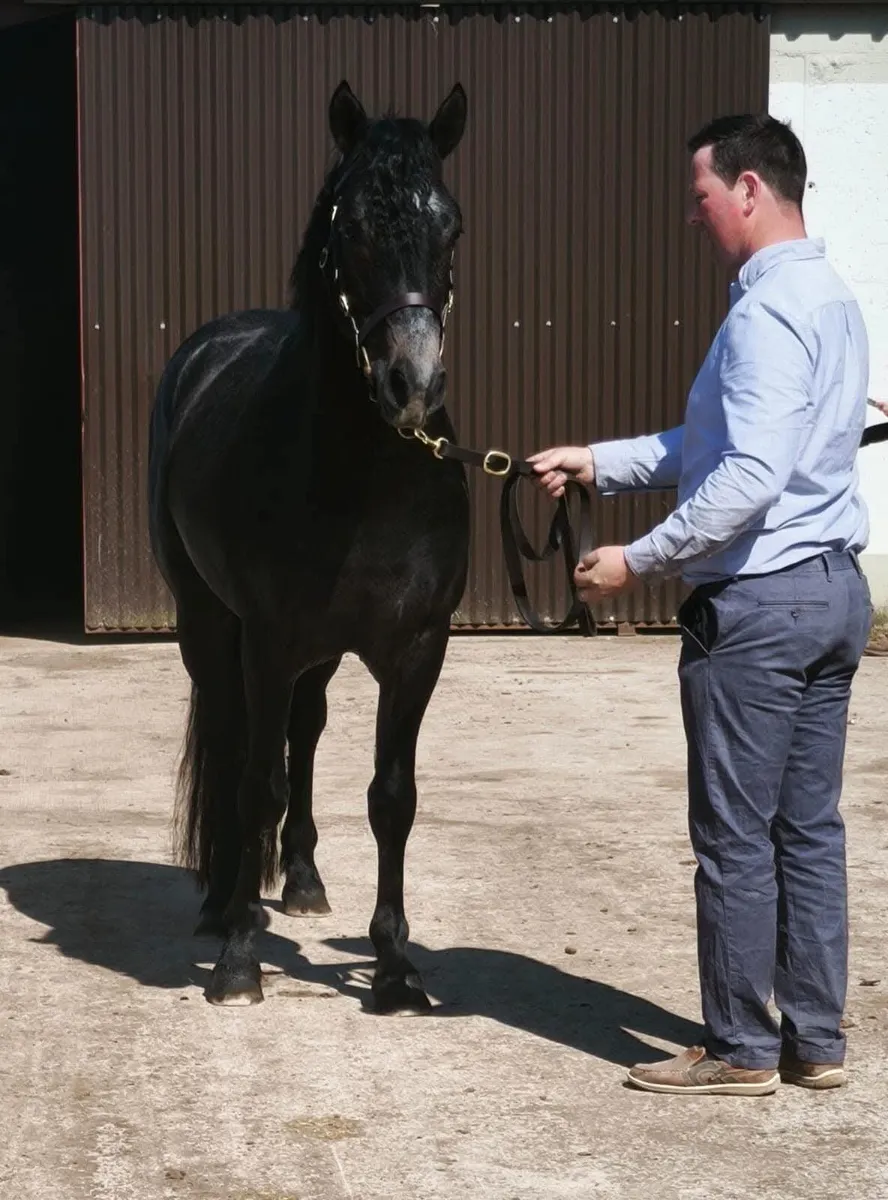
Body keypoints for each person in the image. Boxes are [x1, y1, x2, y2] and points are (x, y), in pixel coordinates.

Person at [530, 114, 872, 1096]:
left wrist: (637, 561)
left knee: (734, 837)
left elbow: (748, 475)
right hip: (833, 595)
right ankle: (815, 1041)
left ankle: (737, 1048)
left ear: (753, 189)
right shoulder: (833, 301)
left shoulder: (764, 314)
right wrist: (599, 460)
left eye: (704, 196)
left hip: (760, 611)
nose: (696, 215)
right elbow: (707, 447)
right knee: (807, 831)